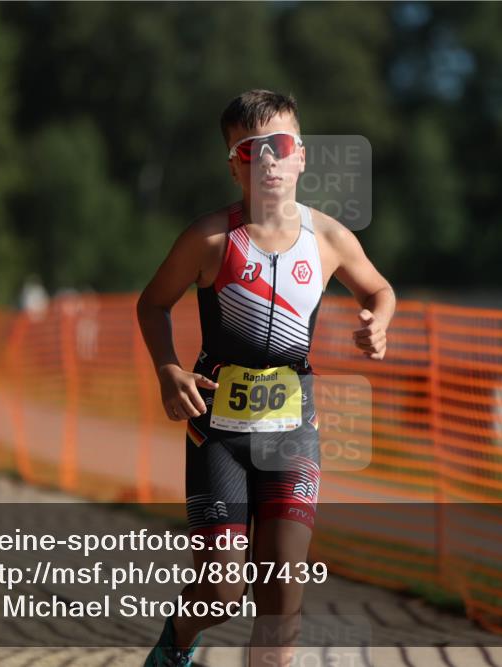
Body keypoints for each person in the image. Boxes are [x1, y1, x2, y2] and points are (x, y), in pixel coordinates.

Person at [136, 89, 395, 667]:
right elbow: (152, 305)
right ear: (235, 165)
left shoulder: (328, 238)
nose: (269, 162)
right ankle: (177, 643)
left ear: (301, 155)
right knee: (225, 591)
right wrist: (167, 369)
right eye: (252, 151)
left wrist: (379, 320)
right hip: (218, 434)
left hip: (292, 431)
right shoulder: (209, 239)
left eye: (279, 146)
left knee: (281, 603)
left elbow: (380, 288)